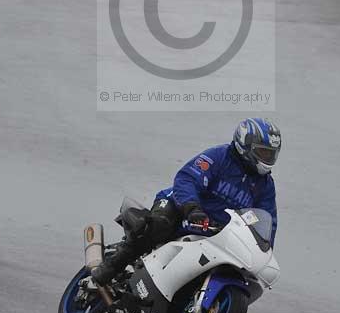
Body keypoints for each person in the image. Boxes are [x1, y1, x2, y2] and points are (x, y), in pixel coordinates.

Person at [91, 117, 281, 287]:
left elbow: (267, 219)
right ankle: (109, 269)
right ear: (244, 145)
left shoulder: (265, 186)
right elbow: (187, 179)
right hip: (181, 207)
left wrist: (262, 249)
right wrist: (192, 208)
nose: (268, 159)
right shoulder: (219, 157)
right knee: (159, 225)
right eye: (263, 153)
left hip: (215, 231)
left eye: (272, 154)